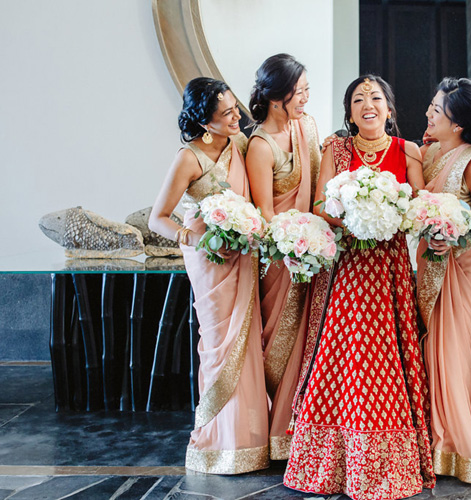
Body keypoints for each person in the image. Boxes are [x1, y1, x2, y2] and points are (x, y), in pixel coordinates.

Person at [283, 75, 435, 500]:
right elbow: (318, 204)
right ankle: (331, 465)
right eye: (357, 99)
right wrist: (353, 211)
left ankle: (385, 467)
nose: (367, 104)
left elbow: (419, 205)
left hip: (389, 270)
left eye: (375, 97)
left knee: (385, 357)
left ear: (389, 108)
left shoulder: (409, 151)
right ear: (349, 112)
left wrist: (388, 212)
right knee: (345, 355)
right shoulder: (336, 148)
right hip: (349, 267)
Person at [148, 77, 269, 474]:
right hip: (208, 259)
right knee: (218, 341)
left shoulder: (242, 147)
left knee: (247, 339)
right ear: (204, 120)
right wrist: (195, 239)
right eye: (227, 113)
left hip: (242, 255)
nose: (237, 117)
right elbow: (158, 218)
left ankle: (250, 441)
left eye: (236, 108)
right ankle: (217, 442)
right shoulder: (189, 158)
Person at [415, 77, 471, 484]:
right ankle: (433, 440)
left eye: (437, 110)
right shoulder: (429, 154)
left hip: (464, 269)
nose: (429, 114)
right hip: (430, 267)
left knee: (452, 355)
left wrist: (454, 236)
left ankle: (460, 447)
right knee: (431, 354)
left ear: (458, 125)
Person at [245, 53, 321, 460]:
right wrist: (296, 246)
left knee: (310, 340)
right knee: (279, 343)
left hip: (315, 253)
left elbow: (322, 183)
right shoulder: (259, 144)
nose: (307, 98)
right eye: (301, 91)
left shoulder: (306, 125)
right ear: (277, 97)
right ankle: (276, 435)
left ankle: (298, 432)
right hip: (280, 260)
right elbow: (266, 213)